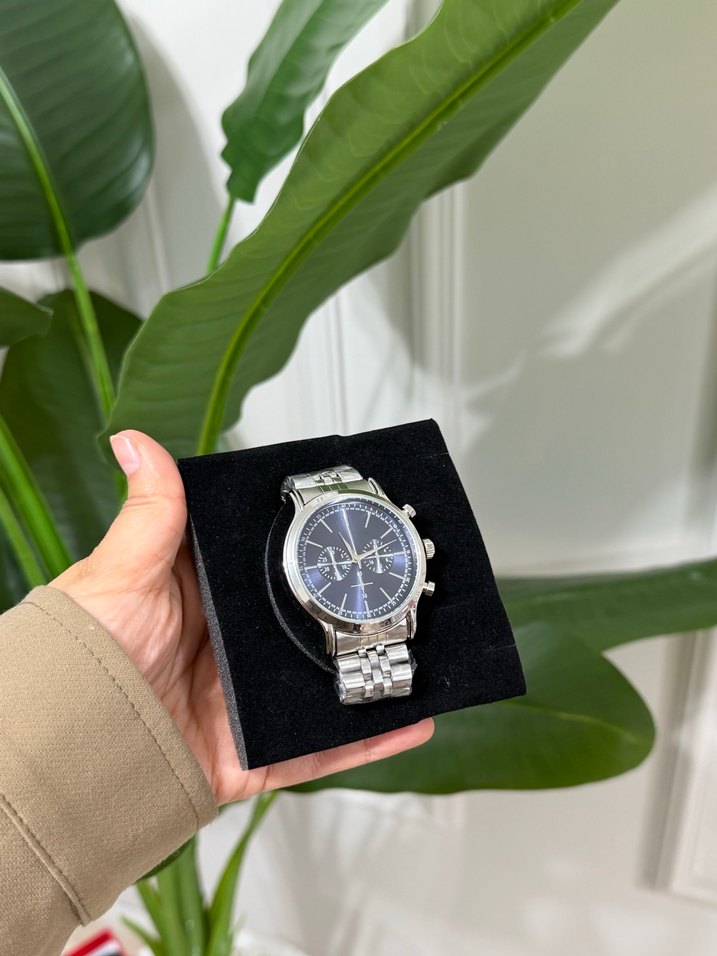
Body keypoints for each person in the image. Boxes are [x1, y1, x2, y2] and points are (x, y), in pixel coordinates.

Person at [0, 430, 434, 956]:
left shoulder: (383, 554)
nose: (358, 562)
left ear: (420, 550)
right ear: (294, 574)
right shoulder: (308, 555)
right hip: (340, 630)